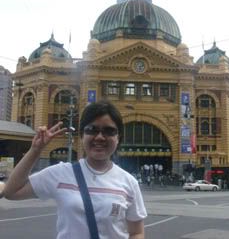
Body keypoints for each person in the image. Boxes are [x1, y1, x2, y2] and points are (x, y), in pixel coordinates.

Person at [2, 100, 147, 239]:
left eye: (109, 131)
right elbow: (11, 191)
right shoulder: (60, 173)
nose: (100, 137)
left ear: (118, 138)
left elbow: (136, 232)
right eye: (92, 130)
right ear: (82, 135)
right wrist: (35, 150)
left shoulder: (129, 182)